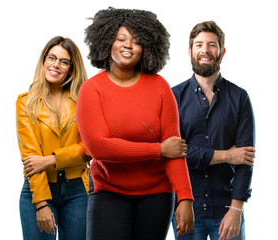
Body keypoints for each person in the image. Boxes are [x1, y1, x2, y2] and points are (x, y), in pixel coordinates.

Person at [76, 7, 194, 240]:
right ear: (107, 42)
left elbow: (175, 149)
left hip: (157, 196)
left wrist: (185, 197)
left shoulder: (160, 87)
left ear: (147, 49)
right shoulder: (91, 89)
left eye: (136, 41)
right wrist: (158, 150)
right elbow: (99, 148)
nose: (128, 45)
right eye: (121, 38)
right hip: (108, 193)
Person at [171, 21, 256, 240]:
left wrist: (236, 209)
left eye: (211, 45)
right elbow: (175, 155)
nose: (205, 50)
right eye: (199, 45)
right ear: (190, 51)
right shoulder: (173, 98)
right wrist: (228, 155)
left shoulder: (239, 98)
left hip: (227, 208)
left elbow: (245, 159)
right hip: (186, 208)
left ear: (222, 52)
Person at [16, 36, 90, 240]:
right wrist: (41, 204)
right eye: (51, 58)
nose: (55, 65)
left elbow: (88, 148)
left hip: (78, 190)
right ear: (43, 60)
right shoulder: (25, 102)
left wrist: (50, 160)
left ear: (72, 68)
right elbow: (31, 158)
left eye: (64, 61)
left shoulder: (84, 100)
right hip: (38, 189)